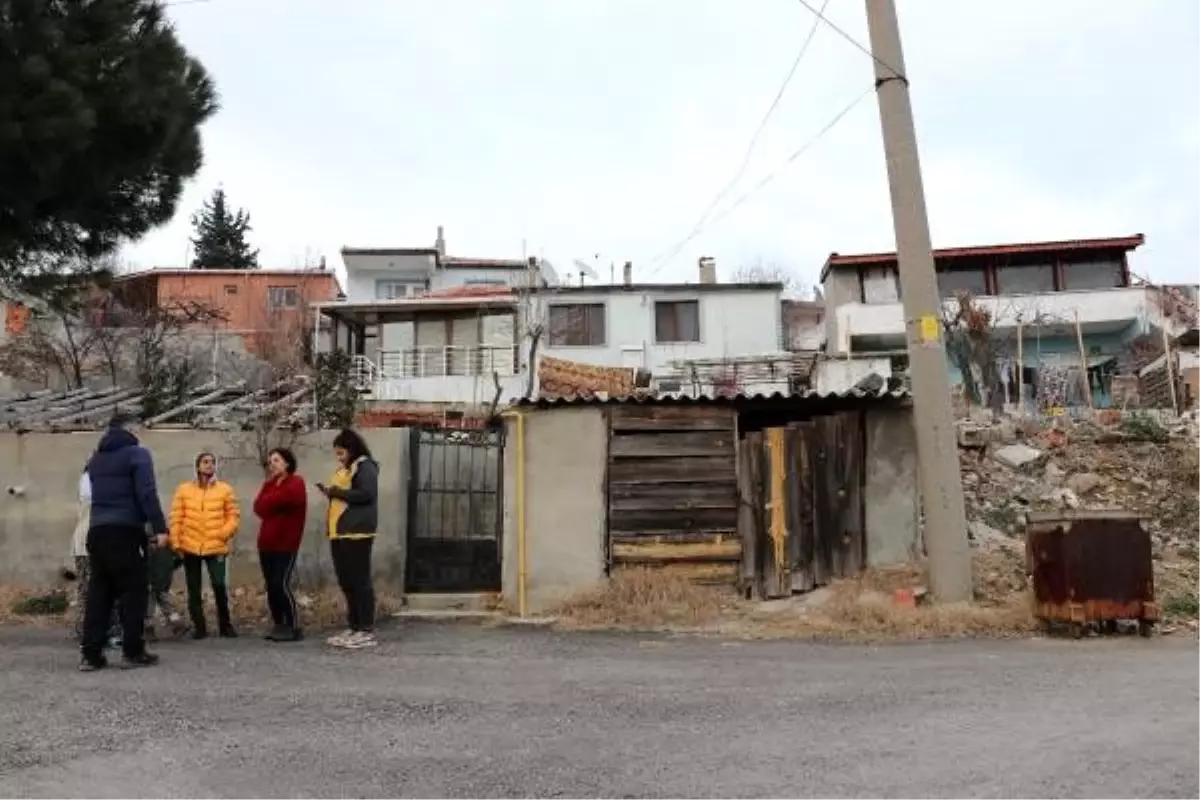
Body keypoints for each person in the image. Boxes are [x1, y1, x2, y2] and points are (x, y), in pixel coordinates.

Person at [80, 412, 168, 671]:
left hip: (97, 530)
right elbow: (147, 493)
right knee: (134, 590)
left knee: (100, 593)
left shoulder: (96, 459)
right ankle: (133, 650)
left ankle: (91, 654)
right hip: (124, 529)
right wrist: (160, 528)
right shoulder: (137, 454)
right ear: (131, 429)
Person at [316, 429, 379, 650]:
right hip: (339, 532)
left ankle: (366, 628)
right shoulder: (346, 469)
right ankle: (353, 626)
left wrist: (336, 492)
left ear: (352, 450)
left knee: (360, 581)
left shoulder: (365, 466)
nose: (339, 458)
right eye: (337, 454)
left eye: (342, 453)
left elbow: (366, 494)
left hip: (357, 532)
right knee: (347, 581)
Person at [169, 451, 241, 639]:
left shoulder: (224, 489)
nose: (209, 465)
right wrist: (176, 543)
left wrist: (223, 534)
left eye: (212, 462)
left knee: (219, 585)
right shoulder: (184, 489)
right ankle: (199, 627)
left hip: (215, 545)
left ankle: (225, 625)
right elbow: (176, 517)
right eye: (205, 462)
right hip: (190, 545)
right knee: (193, 588)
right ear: (197, 466)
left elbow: (233, 516)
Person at [253, 447, 307, 642]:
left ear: (287, 462)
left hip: (286, 543)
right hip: (266, 543)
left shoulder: (296, 482)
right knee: (271, 585)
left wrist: (271, 501)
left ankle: (292, 625)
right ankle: (278, 624)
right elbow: (258, 507)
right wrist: (272, 501)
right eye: (270, 461)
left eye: (276, 460)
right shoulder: (269, 484)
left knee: (281, 583)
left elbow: (290, 498)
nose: (272, 465)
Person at [67, 467, 121, 648]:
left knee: (89, 590)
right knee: (97, 590)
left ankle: (89, 631)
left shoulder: (91, 479)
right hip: (91, 543)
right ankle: (94, 632)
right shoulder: (92, 480)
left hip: (88, 543)